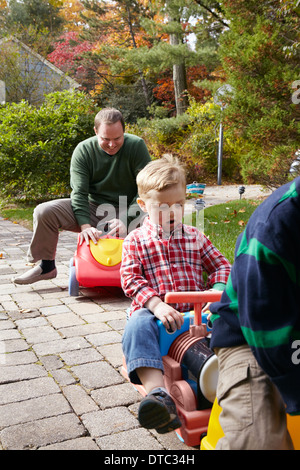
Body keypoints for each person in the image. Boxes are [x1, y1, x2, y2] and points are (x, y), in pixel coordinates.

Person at [121, 155, 231, 434]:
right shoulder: (136, 240)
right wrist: (156, 305)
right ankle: (159, 396)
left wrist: (215, 292)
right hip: (158, 315)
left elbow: (221, 265)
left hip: (196, 313)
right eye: (163, 206)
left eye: (179, 205)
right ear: (144, 206)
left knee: (230, 312)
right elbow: (130, 278)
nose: (172, 212)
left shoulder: (195, 236)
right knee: (137, 323)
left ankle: (234, 371)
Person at [209, 177, 300, 450]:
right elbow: (263, 323)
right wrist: (294, 392)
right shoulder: (276, 225)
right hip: (250, 337)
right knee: (258, 441)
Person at [13, 107, 151, 285]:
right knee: (44, 211)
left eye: (117, 138)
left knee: (161, 211)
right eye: (105, 139)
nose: (111, 144)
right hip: (94, 209)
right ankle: (46, 266)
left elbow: (146, 189)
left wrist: (125, 219)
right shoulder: (83, 150)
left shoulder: (136, 146)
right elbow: (79, 192)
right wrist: (85, 226)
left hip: (131, 209)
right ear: (95, 132)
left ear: (124, 131)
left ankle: (155, 269)